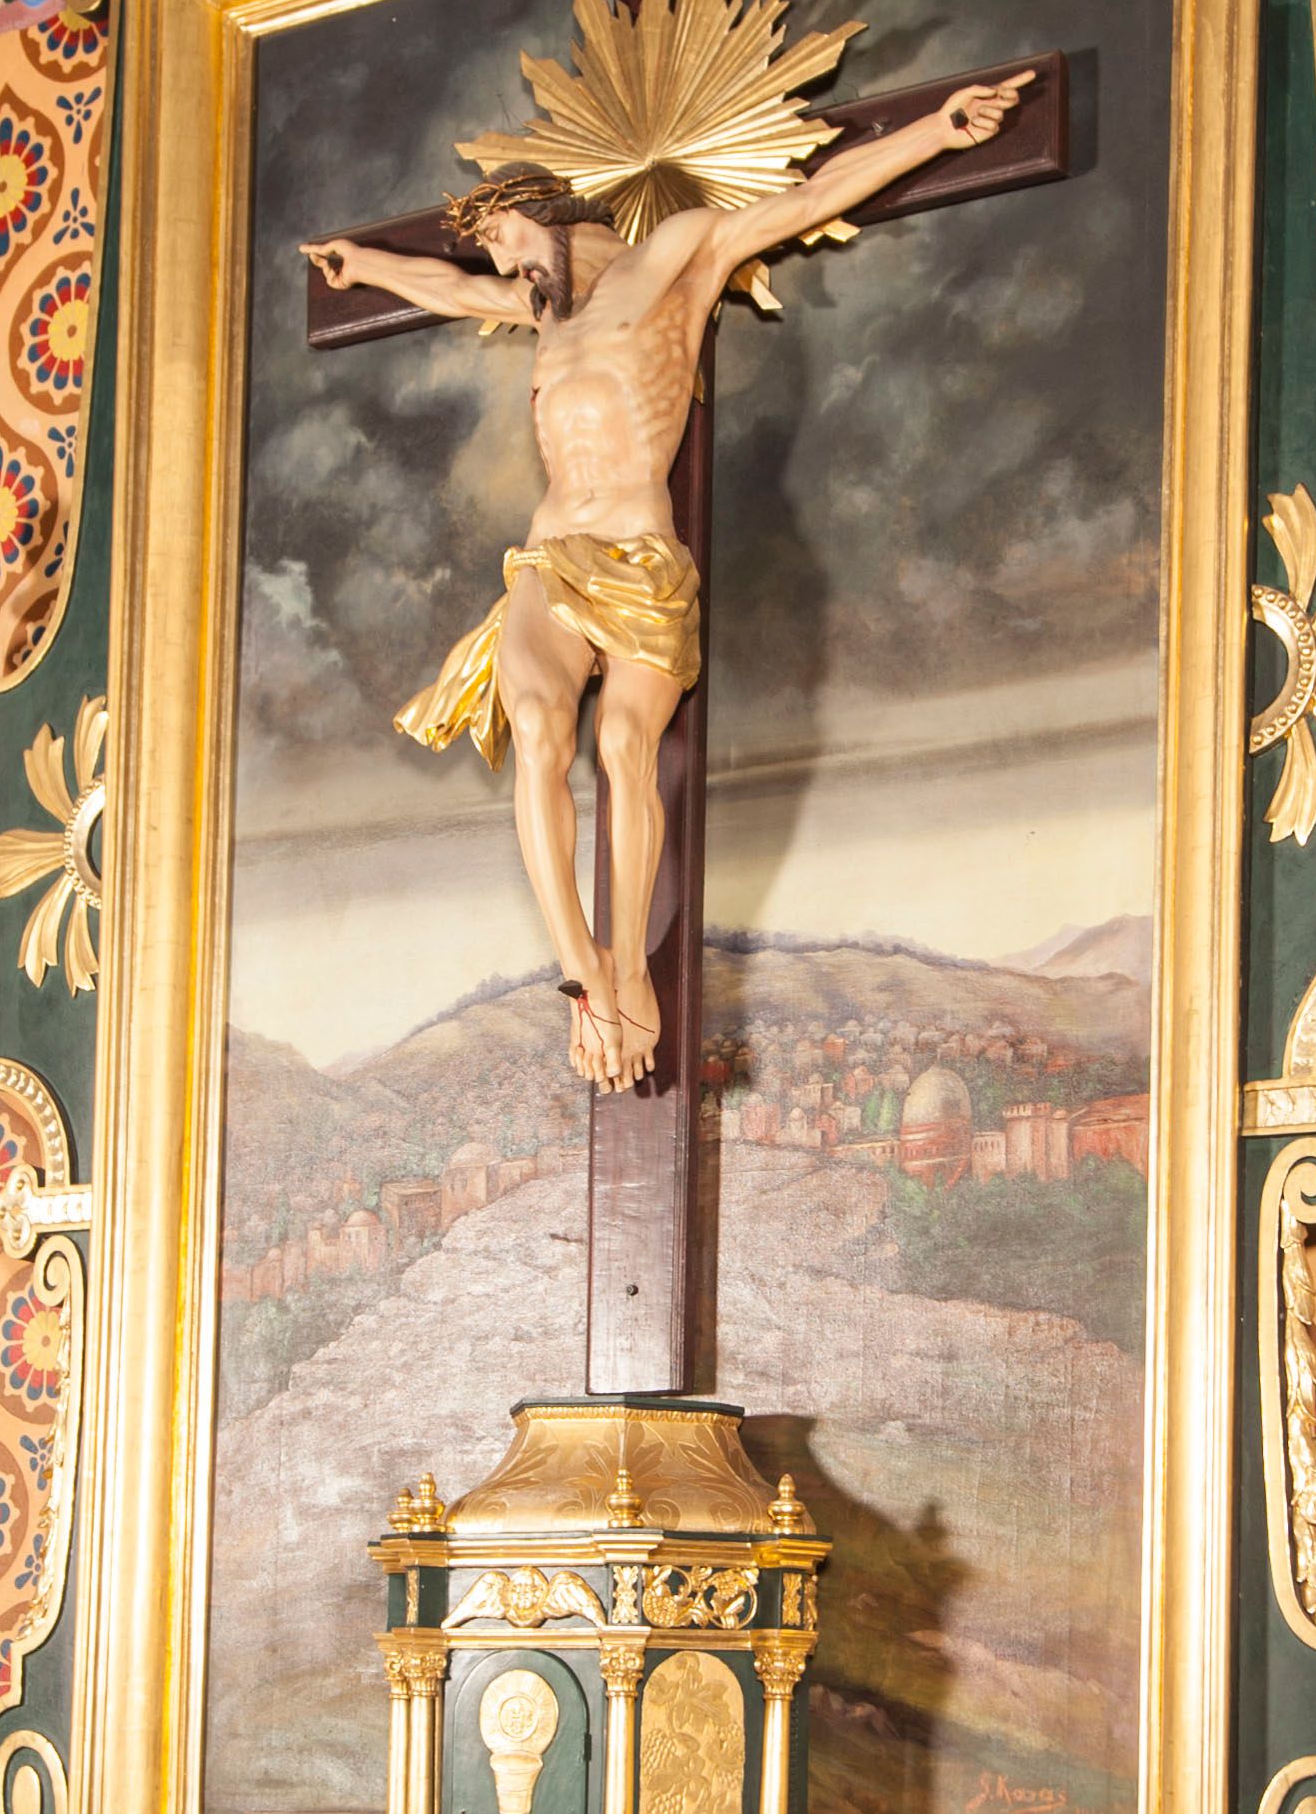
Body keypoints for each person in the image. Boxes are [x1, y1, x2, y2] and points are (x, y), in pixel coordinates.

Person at [306, 73, 1029, 1090]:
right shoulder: (542, 310)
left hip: (641, 557)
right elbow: (450, 291)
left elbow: (808, 199)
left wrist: (936, 131)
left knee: (620, 744)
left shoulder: (678, 256)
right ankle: (585, 975)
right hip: (549, 555)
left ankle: (630, 967)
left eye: (505, 238)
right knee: (536, 727)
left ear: (542, 208)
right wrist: (362, 265)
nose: (504, 265)